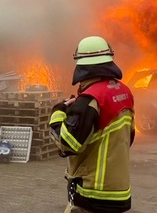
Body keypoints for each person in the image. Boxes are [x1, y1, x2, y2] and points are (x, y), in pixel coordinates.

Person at [49, 36, 135, 213]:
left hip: (92, 192)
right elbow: (129, 137)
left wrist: (57, 113)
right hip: (120, 192)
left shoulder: (90, 100)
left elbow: (68, 144)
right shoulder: (124, 92)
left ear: (81, 65)